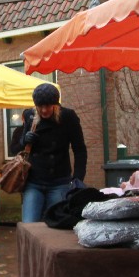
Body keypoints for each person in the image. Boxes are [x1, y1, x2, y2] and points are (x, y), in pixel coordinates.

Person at [17, 82, 88, 223]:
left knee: (56, 226)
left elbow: (79, 149)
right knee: (29, 225)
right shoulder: (30, 115)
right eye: (40, 106)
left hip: (59, 182)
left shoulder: (68, 117)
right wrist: (25, 139)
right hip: (34, 182)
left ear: (56, 104)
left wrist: (78, 177)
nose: (44, 110)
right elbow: (18, 146)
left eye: (48, 106)